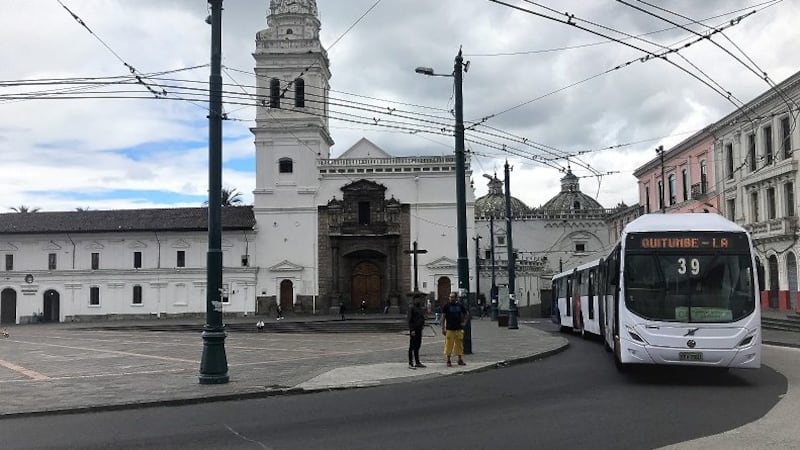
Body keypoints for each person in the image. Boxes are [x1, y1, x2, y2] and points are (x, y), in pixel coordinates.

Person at [441, 292, 468, 367]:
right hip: (449, 329)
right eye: (450, 297)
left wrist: (464, 322)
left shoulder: (460, 306)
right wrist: (443, 328)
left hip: (458, 328)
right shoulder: (446, 306)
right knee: (449, 345)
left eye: (453, 297)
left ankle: (459, 359)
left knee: (459, 345)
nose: (451, 298)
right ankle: (448, 360)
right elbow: (443, 317)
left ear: (456, 298)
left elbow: (466, 314)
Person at [407, 298, 426, 369]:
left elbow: (422, 317)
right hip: (414, 330)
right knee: (412, 346)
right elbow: (410, 320)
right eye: (417, 300)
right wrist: (412, 330)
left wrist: (423, 324)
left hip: (419, 329)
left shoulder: (420, 308)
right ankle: (410, 362)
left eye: (419, 299)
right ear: (414, 300)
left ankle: (417, 362)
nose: (418, 301)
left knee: (417, 346)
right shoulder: (411, 308)